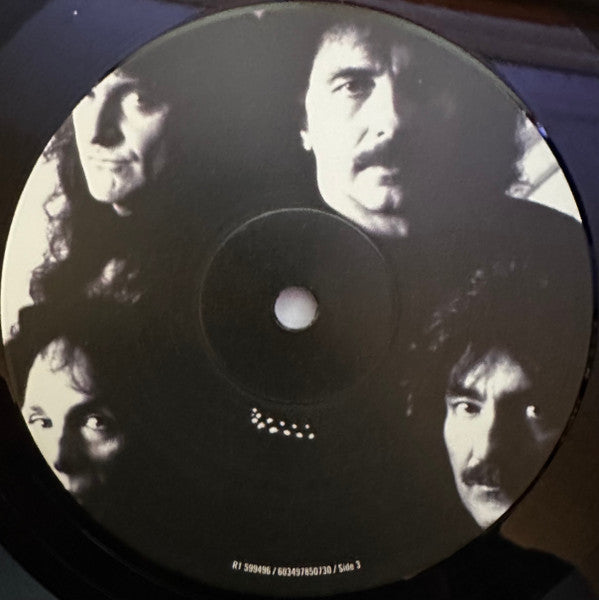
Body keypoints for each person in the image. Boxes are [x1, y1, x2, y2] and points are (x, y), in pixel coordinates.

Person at [295, 12, 522, 238]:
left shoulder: (536, 238)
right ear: (304, 121)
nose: (393, 121)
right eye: (353, 86)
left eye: (421, 83)